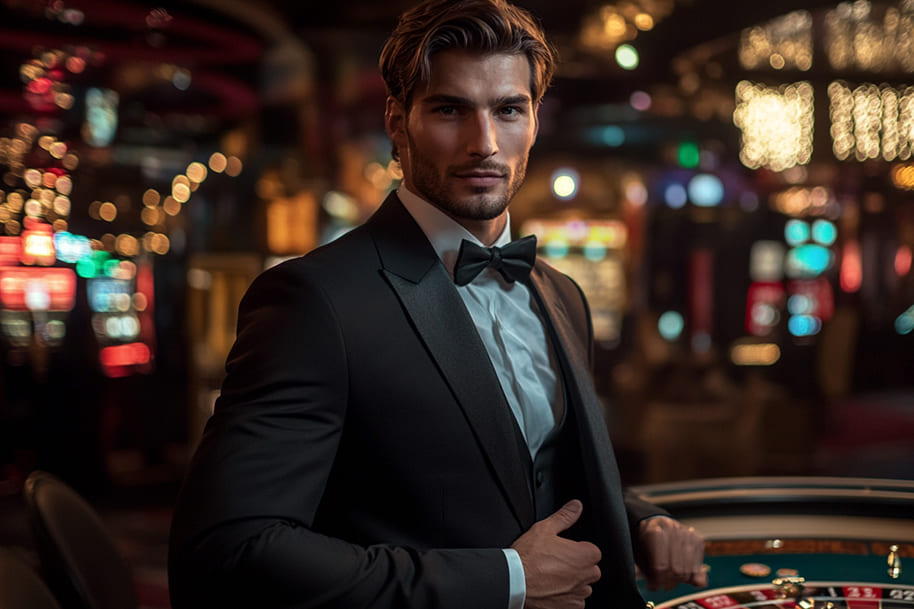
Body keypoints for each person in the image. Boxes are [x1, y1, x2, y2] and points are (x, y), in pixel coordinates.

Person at [168, 1, 707, 607]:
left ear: (534, 120)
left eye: (508, 110)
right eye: (450, 109)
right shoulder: (315, 301)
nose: (484, 143)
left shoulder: (563, 295)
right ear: (398, 122)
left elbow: (527, 473)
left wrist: (636, 522)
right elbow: (228, 553)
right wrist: (503, 581)